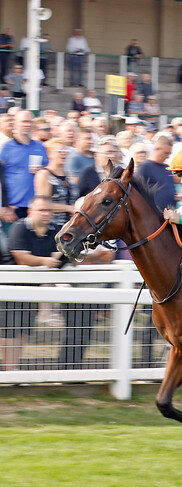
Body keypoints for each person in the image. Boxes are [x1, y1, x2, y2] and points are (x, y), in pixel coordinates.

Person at [1, 195, 62, 371]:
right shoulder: (19, 228)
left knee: (23, 331)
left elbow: (63, 251)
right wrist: (46, 261)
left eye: (49, 210)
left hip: (33, 289)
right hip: (10, 288)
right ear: (30, 211)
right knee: (9, 331)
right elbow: (21, 257)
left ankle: (12, 369)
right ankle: (9, 370)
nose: (46, 214)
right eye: (41, 210)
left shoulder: (55, 230)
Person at [1, 110, 48, 221]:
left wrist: (42, 170)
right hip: (14, 207)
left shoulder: (40, 146)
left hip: (36, 207)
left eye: (30, 121)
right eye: (24, 121)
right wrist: (4, 205)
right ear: (15, 123)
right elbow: (1, 178)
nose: (27, 124)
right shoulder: (7, 148)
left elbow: (49, 172)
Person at [34, 138, 76, 227]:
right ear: (50, 154)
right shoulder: (44, 174)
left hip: (72, 226)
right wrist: (68, 208)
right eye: (60, 151)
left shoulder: (69, 175)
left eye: (65, 150)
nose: (63, 154)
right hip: (53, 226)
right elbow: (43, 205)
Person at [135, 133, 176, 211]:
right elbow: (137, 191)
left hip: (170, 213)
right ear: (157, 149)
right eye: (166, 153)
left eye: (169, 153)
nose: (167, 156)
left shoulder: (167, 168)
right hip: (152, 214)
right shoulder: (145, 167)